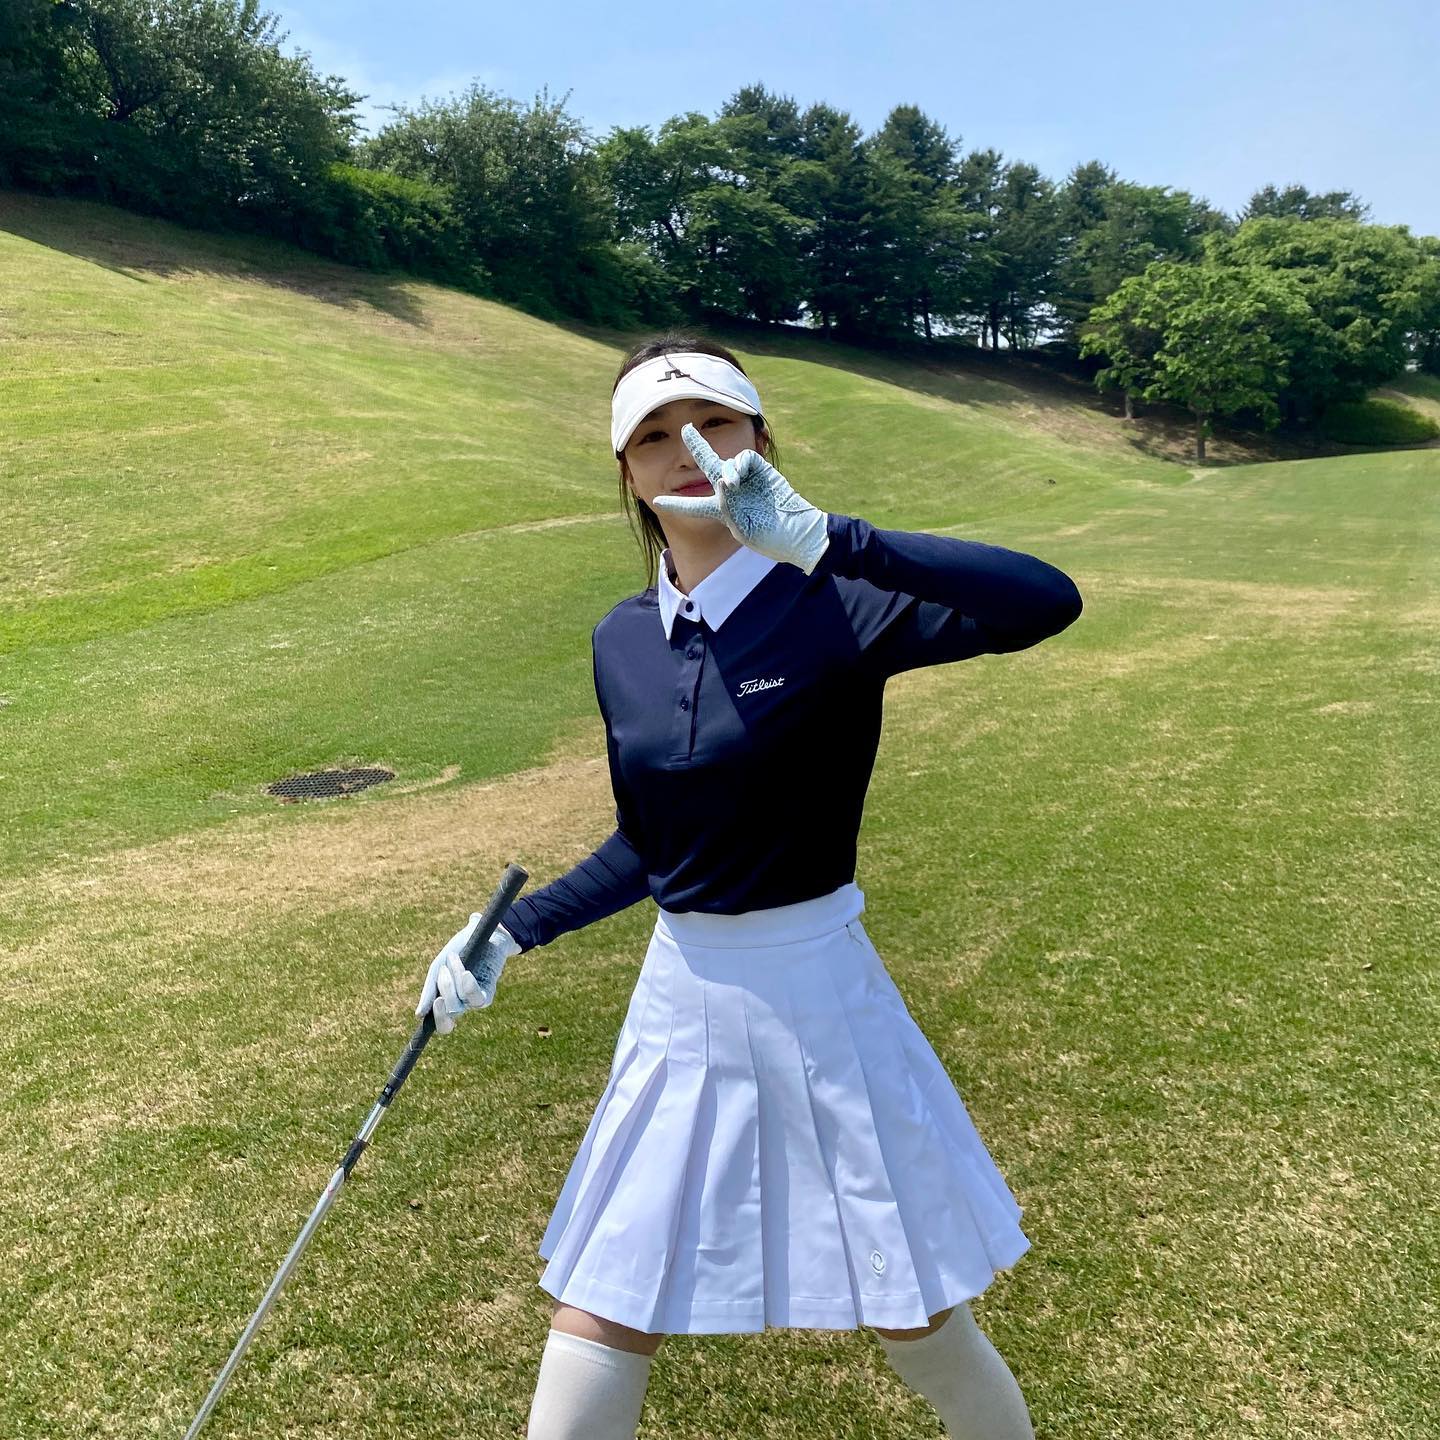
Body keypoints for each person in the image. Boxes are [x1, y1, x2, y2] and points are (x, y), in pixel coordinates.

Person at [417, 334, 1083, 1439]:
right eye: (652, 436)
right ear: (627, 473)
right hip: (680, 1001)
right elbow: (653, 841)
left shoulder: (836, 598)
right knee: (607, 1294)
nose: (686, 449)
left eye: (714, 423)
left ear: (759, 442)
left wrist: (831, 538)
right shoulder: (623, 639)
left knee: (913, 1309)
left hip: (821, 997)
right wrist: (511, 932)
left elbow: (1045, 601)